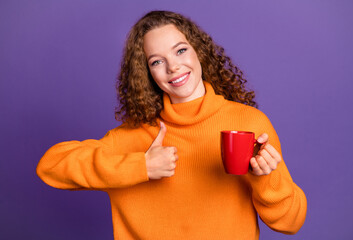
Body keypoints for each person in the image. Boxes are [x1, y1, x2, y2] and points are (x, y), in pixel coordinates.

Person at [37, 10, 307, 240]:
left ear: (198, 52)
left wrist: (266, 178)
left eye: (180, 50)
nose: (173, 67)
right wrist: (140, 166)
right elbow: (50, 166)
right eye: (157, 61)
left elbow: (290, 223)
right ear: (148, 73)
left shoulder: (249, 124)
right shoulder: (137, 135)